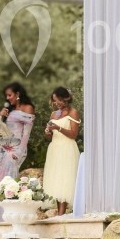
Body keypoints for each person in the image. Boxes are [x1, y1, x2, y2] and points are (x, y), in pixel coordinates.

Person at [42, 87, 81, 215]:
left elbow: (73, 134)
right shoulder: (53, 114)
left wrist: (58, 128)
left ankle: (62, 214)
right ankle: (60, 212)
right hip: (55, 148)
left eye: (57, 100)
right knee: (57, 179)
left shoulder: (73, 113)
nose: (56, 103)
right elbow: (50, 137)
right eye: (54, 101)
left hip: (67, 148)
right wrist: (48, 132)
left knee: (65, 178)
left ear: (65, 98)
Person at [0, 82, 36, 181]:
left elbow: (26, 134)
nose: (7, 98)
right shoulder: (9, 110)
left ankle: (8, 196)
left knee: (9, 179)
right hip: (3, 149)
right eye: (6, 96)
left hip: (15, 150)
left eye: (9, 95)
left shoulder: (28, 108)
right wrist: (1, 116)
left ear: (17, 94)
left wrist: (18, 153)